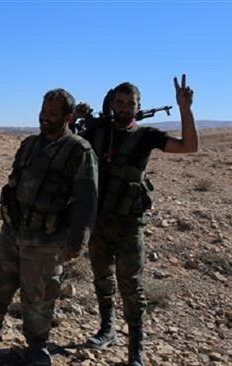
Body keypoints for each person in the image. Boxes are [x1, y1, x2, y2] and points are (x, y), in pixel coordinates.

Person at [0, 89, 98, 365]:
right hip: (14, 231)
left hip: (47, 238)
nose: (45, 117)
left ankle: (37, 346)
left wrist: (77, 242)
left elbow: (87, 199)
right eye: (44, 111)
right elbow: (15, 181)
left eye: (53, 113)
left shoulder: (79, 150)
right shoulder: (30, 144)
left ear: (67, 117)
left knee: (39, 295)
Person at [79, 76, 198, 366]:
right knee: (102, 279)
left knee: (131, 286)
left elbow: (189, 146)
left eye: (130, 104)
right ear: (112, 104)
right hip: (97, 221)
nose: (124, 108)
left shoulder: (146, 137)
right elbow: (68, 144)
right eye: (119, 103)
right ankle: (107, 329)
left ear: (138, 106)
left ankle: (136, 350)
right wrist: (77, 116)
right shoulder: (97, 131)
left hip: (129, 224)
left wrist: (185, 108)